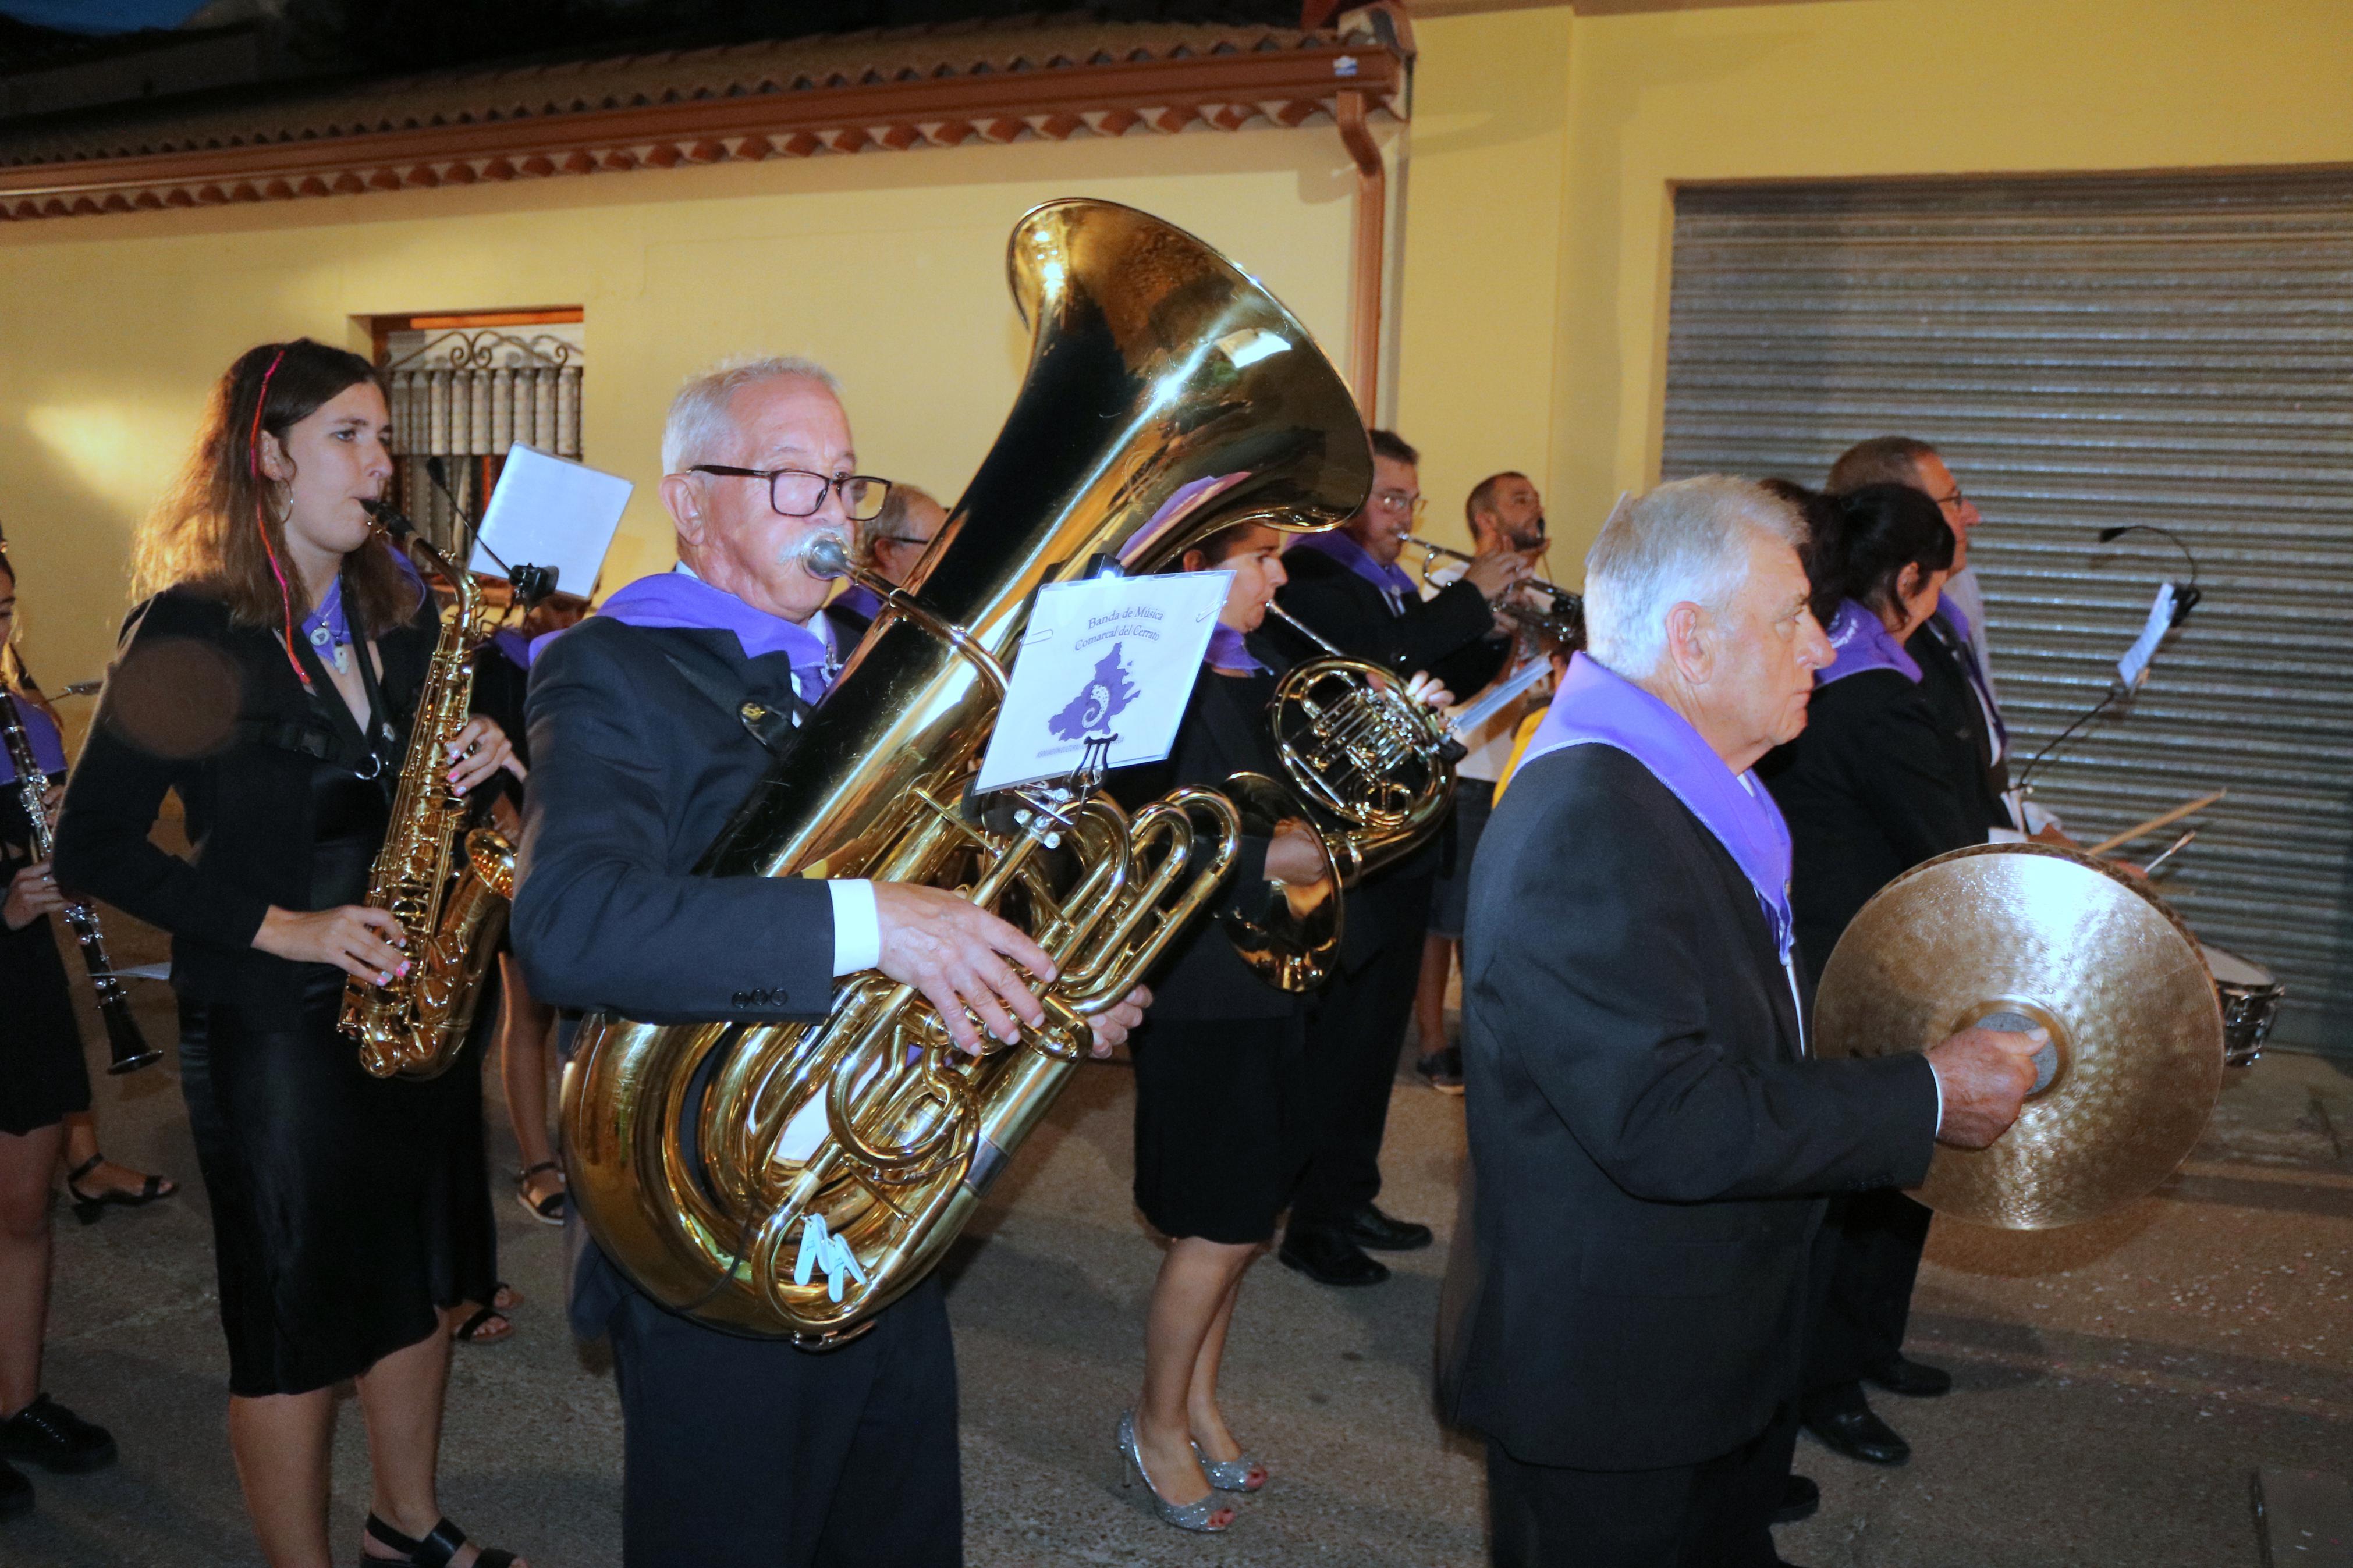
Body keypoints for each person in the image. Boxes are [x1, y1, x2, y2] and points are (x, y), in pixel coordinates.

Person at [511, 355, 1148, 1568]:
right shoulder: (615, 666)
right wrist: (868, 921)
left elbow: (944, 898)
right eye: (792, 480)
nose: (833, 513)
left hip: (874, 1198)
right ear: (692, 501)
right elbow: (569, 926)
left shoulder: (866, 674)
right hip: (701, 1206)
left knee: (896, 1531)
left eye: (846, 483)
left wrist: (1039, 978)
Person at [1439, 475, 2045, 1567]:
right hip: (1613, 1380)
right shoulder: (1589, 824)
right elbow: (1668, 1117)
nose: (1822, 645)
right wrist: (1925, 1093)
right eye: (1793, 617)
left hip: (1697, 1341)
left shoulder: (1695, 789)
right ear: (1692, 640)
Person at [54, 338, 529, 1568]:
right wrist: (287, 927)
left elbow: (503, 709)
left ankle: (404, 1523)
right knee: (296, 1318)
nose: (381, 465)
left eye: (384, 438)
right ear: (267, 459)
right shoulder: (194, 628)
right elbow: (98, 843)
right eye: (350, 438)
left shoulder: (396, 611)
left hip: (411, 1004)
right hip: (271, 1018)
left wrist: (489, 733)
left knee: (424, 1279)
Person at [1264, 430, 1525, 1288]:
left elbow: (1439, 662)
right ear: (1342, 503)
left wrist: (1498, 626)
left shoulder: (1388, 584)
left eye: (1410, 500)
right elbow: (1370, 660)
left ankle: (1349, 1190)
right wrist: (1462, 599)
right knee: (1340, 1039)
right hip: (1346, 845)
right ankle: (1312, 1219)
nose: (1402, 517)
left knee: (1373, 1041)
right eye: (1385, 499)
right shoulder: (1309, 577)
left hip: (1402, 837)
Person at [0, 554, 118, 1523]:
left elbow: (59, 844)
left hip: (20, 987)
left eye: (3, 612)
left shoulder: (28, 722)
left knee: (24, 1209)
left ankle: (17, 1402)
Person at [1411, 470, 1555, 1092]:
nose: (1538, 509)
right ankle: (1431, 1040)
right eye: (1521, 500)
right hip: (1464, 767)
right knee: (1443, 919)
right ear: (1487, 523)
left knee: (1491, 915)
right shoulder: (1449, 586)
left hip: (1516, 774)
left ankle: (1480, 1029)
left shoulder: (1545, 600)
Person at [829, 481, 946, 633]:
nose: (945, 553)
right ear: (887, 551)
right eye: (934, 544)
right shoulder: (847, 623)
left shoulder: (922, 609)